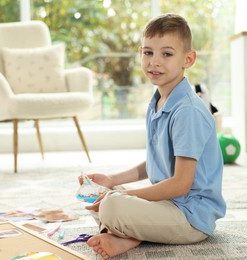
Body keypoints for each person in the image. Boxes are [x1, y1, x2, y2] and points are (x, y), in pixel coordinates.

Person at [80, 13, 226, 259]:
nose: (154, 62)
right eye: (148, 53)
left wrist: (120, 197)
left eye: (166, 54)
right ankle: (126, 235)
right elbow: (156, 161)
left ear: (188, 59)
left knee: (112, 204)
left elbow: (181, 183)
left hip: (190, 217)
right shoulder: (158, 100)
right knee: (101, 192)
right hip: (166, 204)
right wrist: (110, 181)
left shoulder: (187, 110)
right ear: (140, 54)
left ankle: (127, 235)